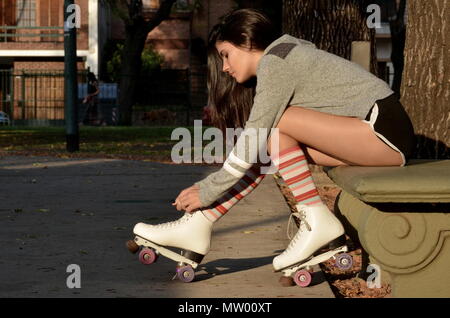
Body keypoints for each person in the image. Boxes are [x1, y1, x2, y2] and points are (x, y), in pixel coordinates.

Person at [132, 9, 415, 277]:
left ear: (247, 41)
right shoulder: (283, 55)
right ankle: (199, 224)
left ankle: (318, 222)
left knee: (273, 127)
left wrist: (209, 187)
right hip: (367, 135)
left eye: (226, 55)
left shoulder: (276, 61)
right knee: (269, 144)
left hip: (383, 131)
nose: (226, 67)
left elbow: (255, 131)